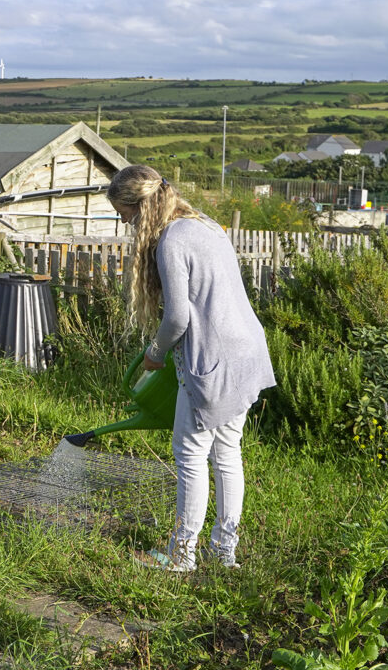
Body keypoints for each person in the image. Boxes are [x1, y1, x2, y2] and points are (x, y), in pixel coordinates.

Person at [107, 164, 275, 572]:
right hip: (247, 351)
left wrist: (156, 352)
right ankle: (224, 551)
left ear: (140, 206)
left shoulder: (171, 241)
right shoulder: (207, 225)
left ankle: (182, 555)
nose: (123, 222)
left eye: (123, 213)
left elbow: (178, 318)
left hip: (213, 362)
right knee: (227, 453)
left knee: (190, 455)